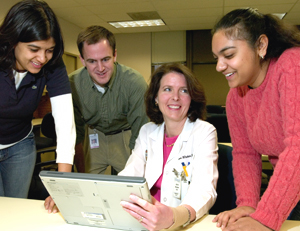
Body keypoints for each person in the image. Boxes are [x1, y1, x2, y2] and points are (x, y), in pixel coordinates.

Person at [211, 8, 300, 231]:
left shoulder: (292, 64)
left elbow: (298, 147)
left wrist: (265, 218)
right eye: (217, 58)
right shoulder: (235, 97)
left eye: (229, 55)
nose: (219, 66)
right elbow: (245, 153)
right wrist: (248, 204)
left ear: (261, 45)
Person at [118, 63, 218, 231]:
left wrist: (175, 216)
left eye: (184, 90)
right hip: (144, 220)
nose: (175, 97)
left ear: (191, 97)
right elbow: (129, 176)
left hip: (182, 224)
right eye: (167, 89)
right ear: (155, 98)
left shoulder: (204, 132)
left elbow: (204, 189)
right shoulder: (147, 131)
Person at [0, 0, 76, 207]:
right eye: (34, 49)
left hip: (20, 145)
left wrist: (62, 186)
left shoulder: (53, 64)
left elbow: (65, 123)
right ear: (14, 40)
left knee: (16, 207)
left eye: (49, 50)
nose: (42, 58)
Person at [69, 26, 149, 174]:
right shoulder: (73, 85)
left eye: (105, 59)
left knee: (132, 187)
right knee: (88, 187)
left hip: (126, 136)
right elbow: (75, 135)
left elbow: (141, 134)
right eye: (92, 61)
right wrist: (81, 172)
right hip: (94, 136)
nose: (100, 68)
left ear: (115, 55)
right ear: (82, 60)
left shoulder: (134, 83)